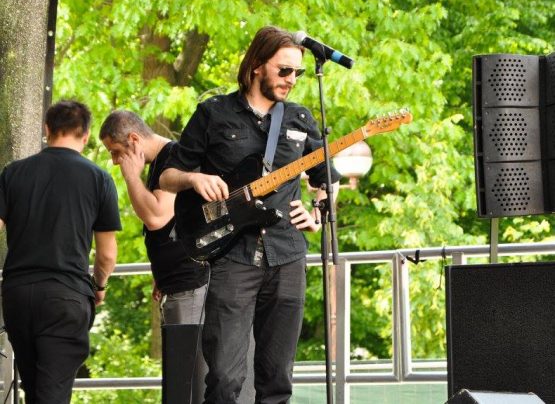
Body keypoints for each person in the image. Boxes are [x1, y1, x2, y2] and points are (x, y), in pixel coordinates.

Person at [160, 25, 341, 403]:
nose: (292, 80)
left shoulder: (300, 119)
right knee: (224, 379)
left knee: (277, 378)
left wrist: (318, 212)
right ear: (257, 65)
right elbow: (167, 176)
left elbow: (327, 180)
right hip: (232, 258)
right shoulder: (213, 113)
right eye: (284, 70)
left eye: (298, 72)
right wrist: (195, 178)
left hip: (287, 255)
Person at [0, 100, 120, 403]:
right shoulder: (99, 179)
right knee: (51, 396)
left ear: (47, 129)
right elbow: (106, 254)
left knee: (36, 392)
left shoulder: (13, 173)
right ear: (86, 135)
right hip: (65, 298)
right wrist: (99, 286)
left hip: (18, 296)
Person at [98, 111, 209, 324]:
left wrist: (132, 177)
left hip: (190, 283)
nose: (115, 161)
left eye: (116, 152)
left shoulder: (174, 158)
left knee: (188, 347)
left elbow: (156, 217)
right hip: (176, 283)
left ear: (134, 139)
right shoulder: (159, 162)